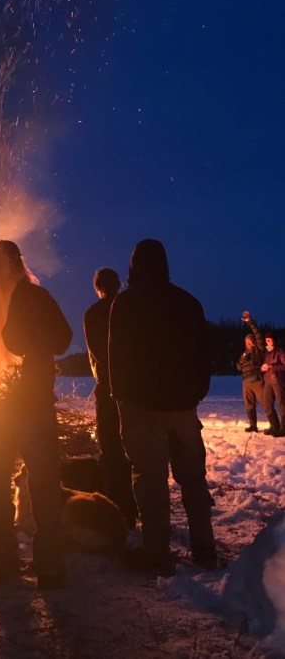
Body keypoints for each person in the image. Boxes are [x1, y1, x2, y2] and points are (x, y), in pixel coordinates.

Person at [0, 240, 73, 589]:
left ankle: (4, 564)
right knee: (44, 485)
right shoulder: (38, 297)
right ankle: (49, 567)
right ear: (19, 263)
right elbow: (63, 340)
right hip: (32, 405)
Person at [108, 239, 216, 574]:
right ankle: (205, 547)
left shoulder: (126, 303)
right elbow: (204, 354)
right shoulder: (188, 303)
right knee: (193, 477)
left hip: (143, 406)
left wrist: (120, 394)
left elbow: (116, 354)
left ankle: (155, 551)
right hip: (183, 407)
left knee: (150, 478)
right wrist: (196, 392)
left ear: (134, 266)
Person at [83, 268, 137, 528]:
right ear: (118, 284)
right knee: (136, 448)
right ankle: (141, 506)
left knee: (112, 449)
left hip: (108, 390)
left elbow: (98, 352)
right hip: (136, 389)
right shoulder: (132, 309)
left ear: (98, 288)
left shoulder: (93, 313)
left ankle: (122, 508)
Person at [237, 311, 276, 434]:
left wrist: (250, 322)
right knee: (249, 405)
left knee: (265, 403)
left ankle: (275, 425)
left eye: (250, 341)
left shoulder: (258, 350)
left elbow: (258, 334)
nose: (249, 343)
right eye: (247, 342)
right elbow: (238, 366)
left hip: (257, 381)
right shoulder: (244, 354)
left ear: (253, 342)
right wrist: (242, 359)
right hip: (246, 383)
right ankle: (253, 425)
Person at [261, 332, 285, 437]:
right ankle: (275, 426)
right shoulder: (266, 353)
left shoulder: (280, 351)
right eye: (266, 339)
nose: (268, 341)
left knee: (282, 403)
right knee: (267, 403)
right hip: (268, 380)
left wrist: (272, 367)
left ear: (274, 340)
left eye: (270, 339)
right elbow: (266, 366)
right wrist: (263, 368)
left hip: (278, 380)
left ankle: (283, 429)